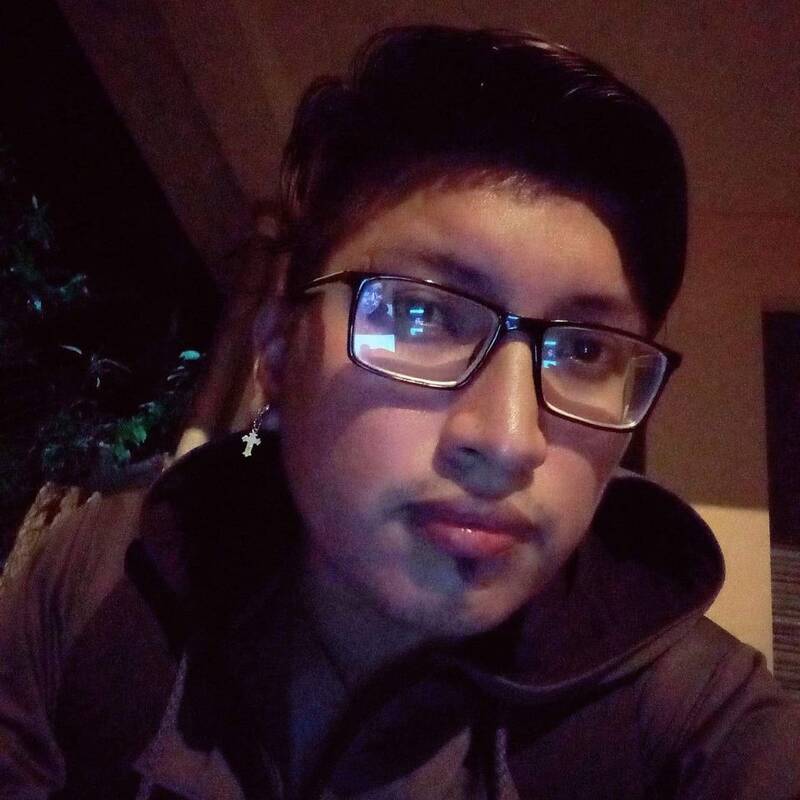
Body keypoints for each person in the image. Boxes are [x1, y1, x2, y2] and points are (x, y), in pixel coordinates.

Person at [1, 24, 798, 800]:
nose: (509, 441)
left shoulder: (692, 726)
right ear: (276, 354)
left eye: (585, 350)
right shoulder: (102, 585)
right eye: (421, 315)